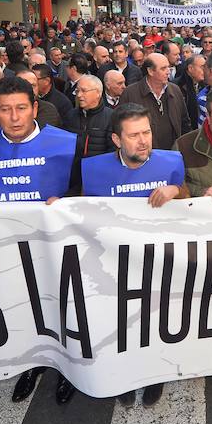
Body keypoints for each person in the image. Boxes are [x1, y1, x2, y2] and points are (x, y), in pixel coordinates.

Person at [0, 76, 78, 404]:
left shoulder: (65, 142)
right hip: (2, 244)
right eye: (5, 110)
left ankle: (66, 367)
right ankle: (24, 362)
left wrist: (67, 200)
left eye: (21, 109)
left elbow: (82, 189)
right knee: (12, 305)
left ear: (35, 108)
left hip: (52, 246)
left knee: (57, 308)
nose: (14, 118)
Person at [81, 104, 187, 407]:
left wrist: (176, 191)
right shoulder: (92, 169)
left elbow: (192, 201)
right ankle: (124, 376)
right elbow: (79, 213)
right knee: (119, 324)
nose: (143, 141)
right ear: (116, 140)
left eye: (147, 132)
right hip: (114, 267)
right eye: (134, 135)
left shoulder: (172, 162)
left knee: (156, 321)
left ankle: (154, 374)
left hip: (159, 262)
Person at [120, 53, 191, 150]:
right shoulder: (130, 94)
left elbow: (185, 124)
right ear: (150, 71)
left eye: (168, 67)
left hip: (173, 155)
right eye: (163, 69)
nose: (168, 72)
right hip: (144, 155)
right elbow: (121, 128)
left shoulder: (175, 90)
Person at [63, 74, 115, 185]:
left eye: (84, 91)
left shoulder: (111, 117)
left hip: (101, 179)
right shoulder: (70, 115)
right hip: (74, 180)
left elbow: (113, 153)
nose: (79, 95)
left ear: (98, 93)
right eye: (77, 91)